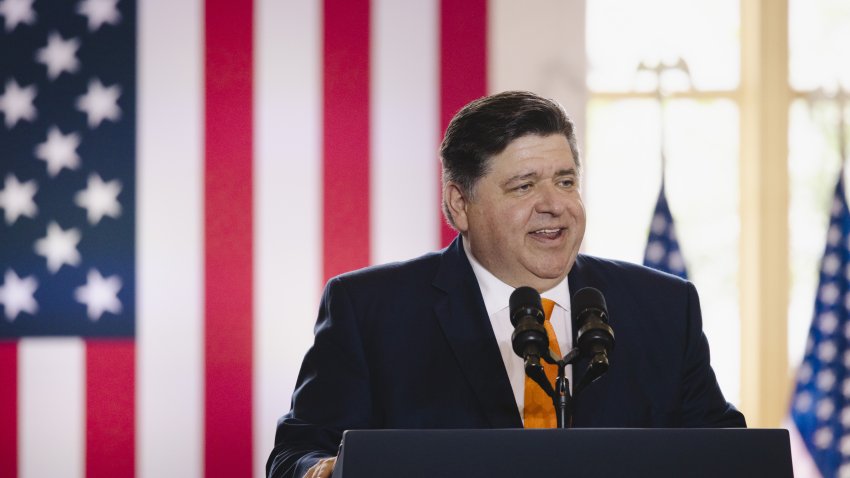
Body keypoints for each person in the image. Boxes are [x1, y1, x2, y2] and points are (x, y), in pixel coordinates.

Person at [266, 91, 745, 478]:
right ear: (459, 204)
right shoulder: (370, 311)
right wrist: (331, 472)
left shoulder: (662, 307)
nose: (554, 204)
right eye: (524, 185)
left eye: (565, 181)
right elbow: (294, 458)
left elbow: (728, 453)